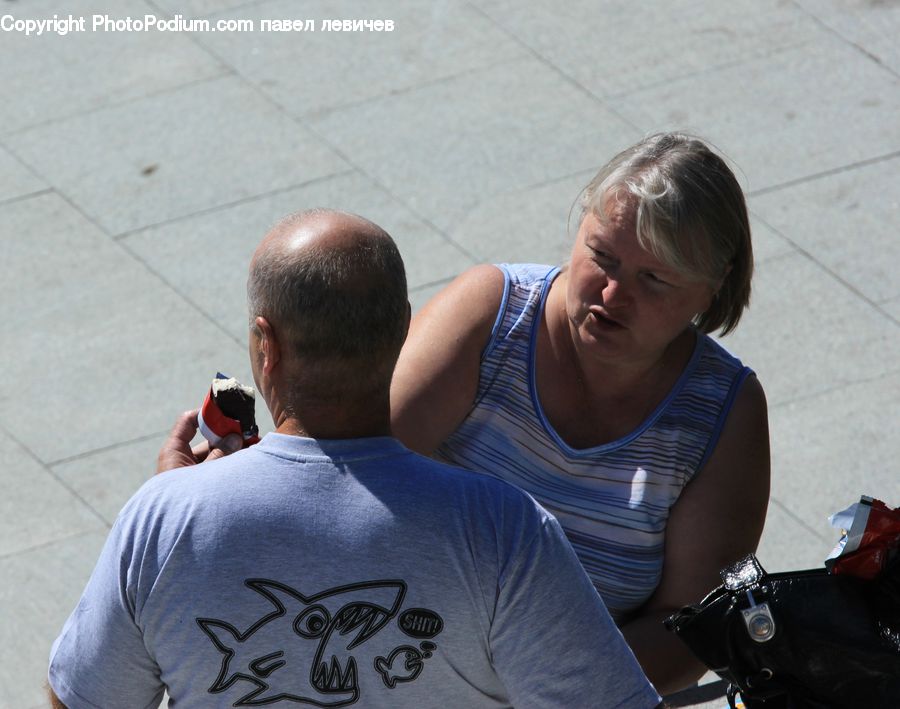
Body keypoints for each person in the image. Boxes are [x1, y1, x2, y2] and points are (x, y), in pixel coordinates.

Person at [47, 209, 661, 709]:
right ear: (401, 331)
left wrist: (178, 509)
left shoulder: (163, 518)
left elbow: (78, 700)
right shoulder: (503, 529)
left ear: (267, 347)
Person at [390, 133, 771, 695]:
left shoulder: (725, 414)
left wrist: (534, 687)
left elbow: (689, 625)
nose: (612, 294)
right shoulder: (489, 318)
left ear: (711, 292)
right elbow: (354, 470)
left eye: (655, 279)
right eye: (603, 256)